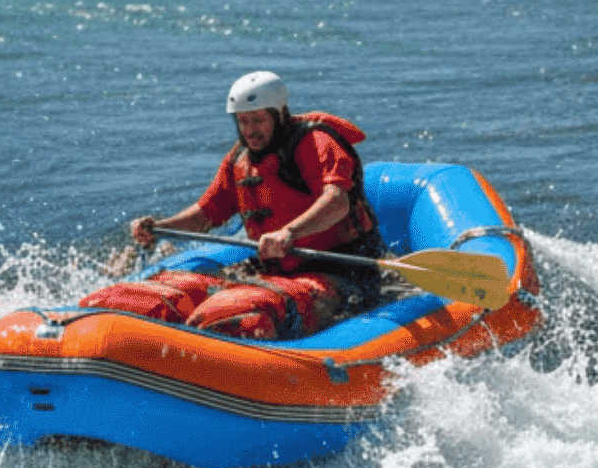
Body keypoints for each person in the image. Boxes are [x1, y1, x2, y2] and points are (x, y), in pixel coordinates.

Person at [81, 71, 385, 340]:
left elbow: (336, 202)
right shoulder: (239, 160)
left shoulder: (316, 141)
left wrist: (288, 234)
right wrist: (161, 227)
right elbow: (205, 215)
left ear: (279, 114)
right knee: (150, 296)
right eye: (243, 121)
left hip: (341, 272)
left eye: (258, 120)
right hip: (275, 271)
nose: (250, 130)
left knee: (232, 315)